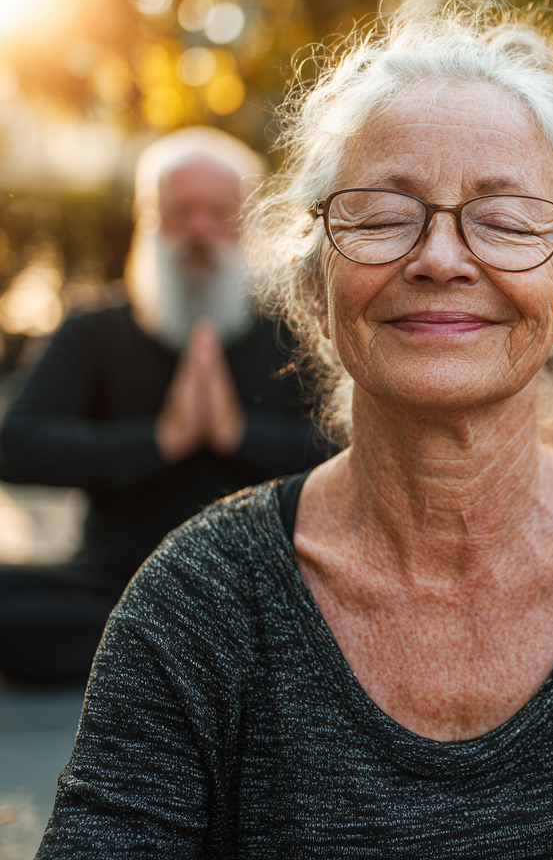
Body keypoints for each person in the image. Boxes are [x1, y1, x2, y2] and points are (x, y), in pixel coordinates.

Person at [35, 0, 553, 858]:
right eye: (385, 216)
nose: (439, 259)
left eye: (507, 221)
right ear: (316, 285)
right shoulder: (200, 601)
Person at [0, 127, 328, 686]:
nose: (199, 230)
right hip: (115, 588)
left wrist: (235, 434)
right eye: (180, 211)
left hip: (270, 592)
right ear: (145, 216)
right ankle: (189, 662)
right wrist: (161, 441)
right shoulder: (93, 329)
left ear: (245, 223)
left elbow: (351, 448)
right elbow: (18, 446)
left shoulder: (292, 333)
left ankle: (160, 662)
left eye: (218, 212)